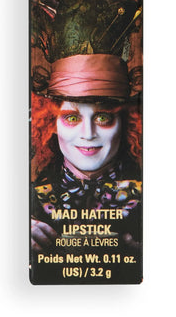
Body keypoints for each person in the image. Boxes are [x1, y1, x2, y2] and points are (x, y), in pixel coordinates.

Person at [30, 91, 142, 253]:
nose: (88, 134)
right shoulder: (27, 201)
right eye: (72, 118)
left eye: (102, 117)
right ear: (51, 124)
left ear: (125, 123)